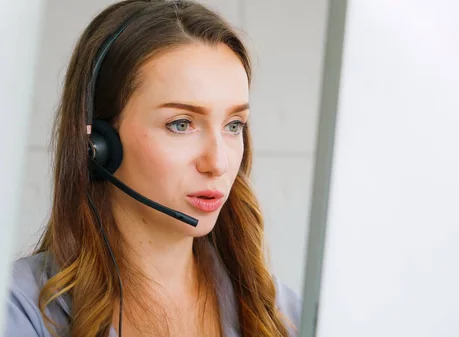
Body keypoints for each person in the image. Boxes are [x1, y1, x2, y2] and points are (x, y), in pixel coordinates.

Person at [3, 1, 301, 336]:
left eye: (233, 125)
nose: (218, 163)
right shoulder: (19, 309)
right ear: (99, 145)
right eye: (181, 124)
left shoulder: (282, 314)